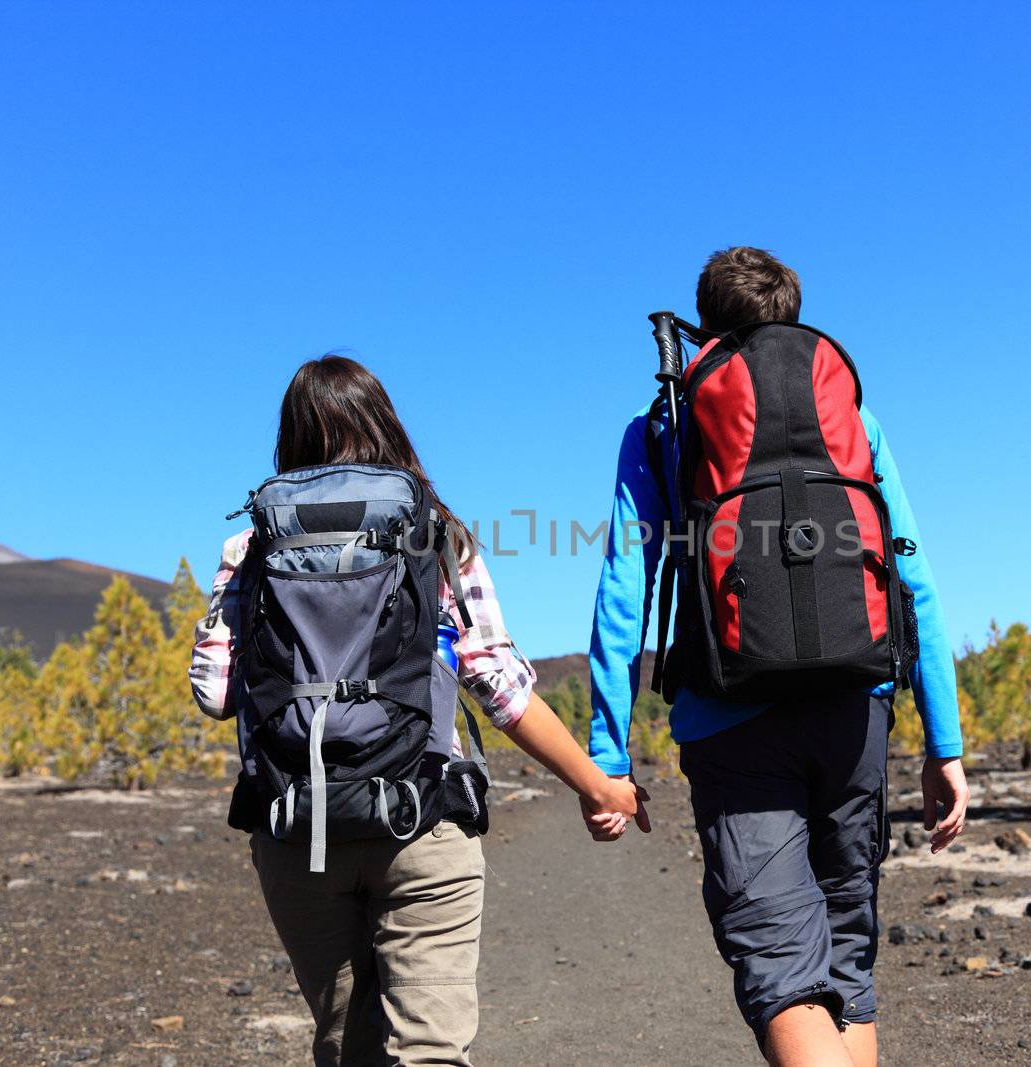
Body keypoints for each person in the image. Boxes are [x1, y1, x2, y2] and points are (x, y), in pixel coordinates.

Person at [191, 355, 646, 1067]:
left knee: (350, 1049)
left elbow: (214, 693)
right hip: (422, 816)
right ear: (385, 427)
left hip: (296, 823)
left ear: (291, 436)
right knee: (430, 1052)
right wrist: (596, 784)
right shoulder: (434, 533)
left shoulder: (250, 544)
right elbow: (500, 686)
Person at [586, 247, 970, 1067]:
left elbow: (625, 589)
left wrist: (607, 754)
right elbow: (913, 572)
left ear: (703, 330)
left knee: (780, 965)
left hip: (732, 716)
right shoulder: (850, 417)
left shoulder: (666, 422)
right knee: (846, 954)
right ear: (793, 321)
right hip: (854, 710)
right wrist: (946, 742)